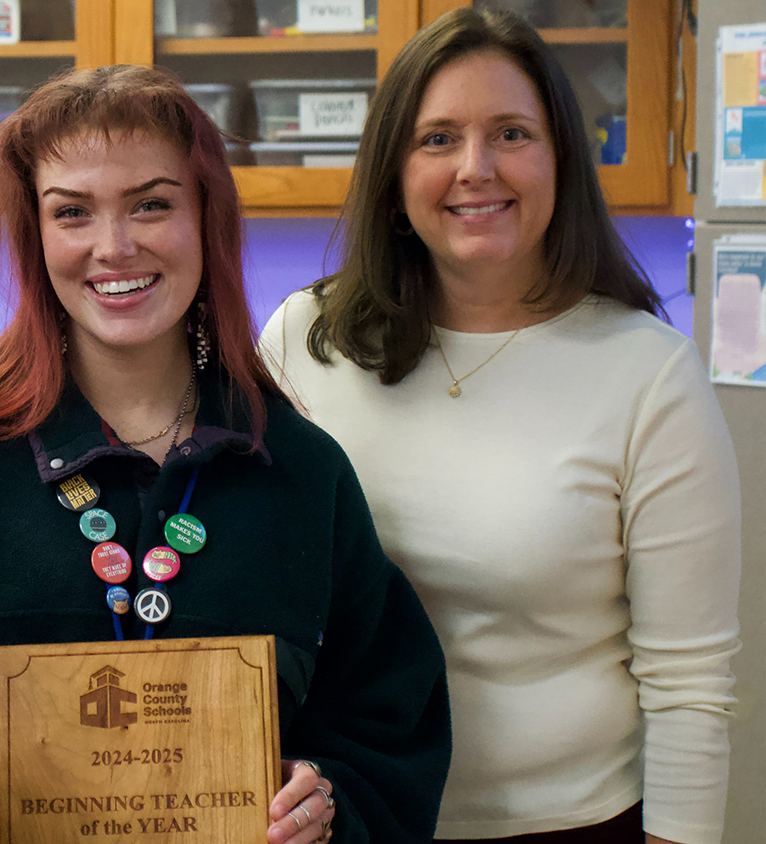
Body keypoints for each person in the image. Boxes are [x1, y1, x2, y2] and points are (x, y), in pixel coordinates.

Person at [0, 65, 451, 844]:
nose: (113, 247)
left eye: (152, 204)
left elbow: (388, 726)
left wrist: (328, 799)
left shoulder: (301, 472)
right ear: (34, 234)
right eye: (72, 212)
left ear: (205, 218)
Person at [261, 9, 740, 844]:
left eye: (511, 132)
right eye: (437, 138)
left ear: (559, 159)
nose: (475, 169)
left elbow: (689, 683)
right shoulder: (306, 340)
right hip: (345, 819)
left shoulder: (646, 370)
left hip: (570, 823)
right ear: (393, 172)